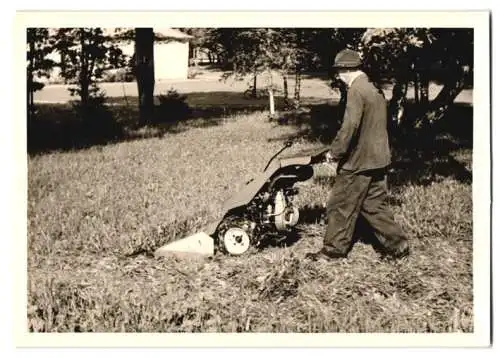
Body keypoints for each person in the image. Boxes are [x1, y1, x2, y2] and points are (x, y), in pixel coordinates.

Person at [306, 48, 410, 261]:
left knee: (340, 204)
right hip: (379, 158)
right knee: (373, 205)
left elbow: (350, 126)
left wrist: (335, 153)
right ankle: (398, 246)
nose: (338, 77)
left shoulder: (356, 90)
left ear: (345, 69)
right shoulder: (374, 89)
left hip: (359, 160)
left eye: (338, 72)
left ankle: (333, 251)